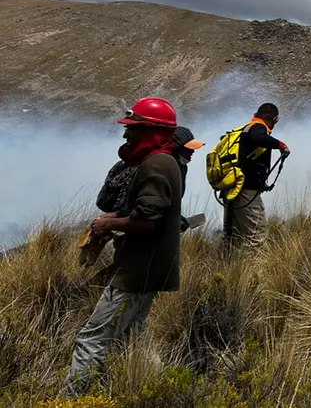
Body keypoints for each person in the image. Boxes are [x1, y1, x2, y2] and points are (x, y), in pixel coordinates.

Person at [62, 97, 184, 396]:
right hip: (149, 268)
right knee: (135, 334)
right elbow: (149, 212)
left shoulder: (155, 164)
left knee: (91, 338)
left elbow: (147, 220)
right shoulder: (163, 161)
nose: (126, 135)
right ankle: (160, 391)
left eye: (134, 129)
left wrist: (107, 225)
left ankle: (70, 399)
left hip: (136, 271)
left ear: (151, 132)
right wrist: (116, 216)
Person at [224, 103, 289, 251]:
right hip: (246, 190)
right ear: (273, 119)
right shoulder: (258, 128)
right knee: (256, 236)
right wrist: (280, 144)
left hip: (233, 187)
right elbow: (258, 138)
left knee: (233, 236)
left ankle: (230, 269)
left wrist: (261, 182)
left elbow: (249, 161)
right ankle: (254, 273)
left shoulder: (244, 130)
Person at [171, 125, 205, 198]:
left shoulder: (183, 166)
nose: (192, 151)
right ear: (177, 148)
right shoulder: (166, 166)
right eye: (188, 148)